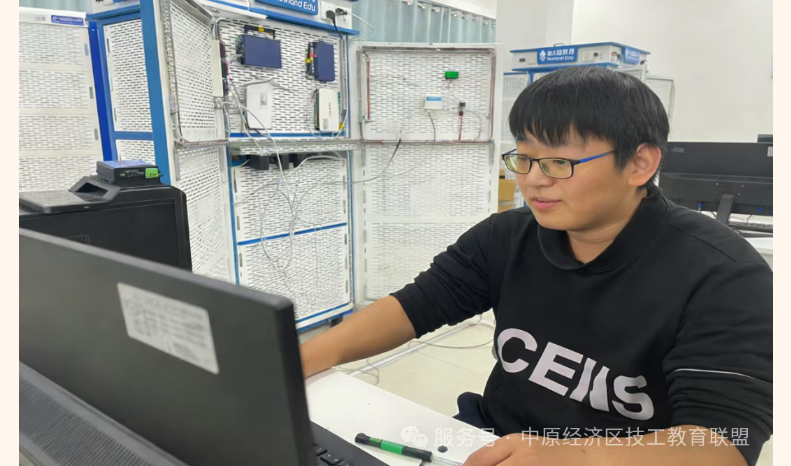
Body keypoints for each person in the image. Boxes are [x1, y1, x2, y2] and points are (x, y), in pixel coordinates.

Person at [300, 67, 772, 466]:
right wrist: (297, 361)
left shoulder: (725, 277)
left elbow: (723, 444)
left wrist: (575, 456)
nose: (533, 181)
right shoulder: (508, 236)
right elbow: (413, 306)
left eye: (560, 162)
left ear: (639, 164)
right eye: (524, 159)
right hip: (494, 442)